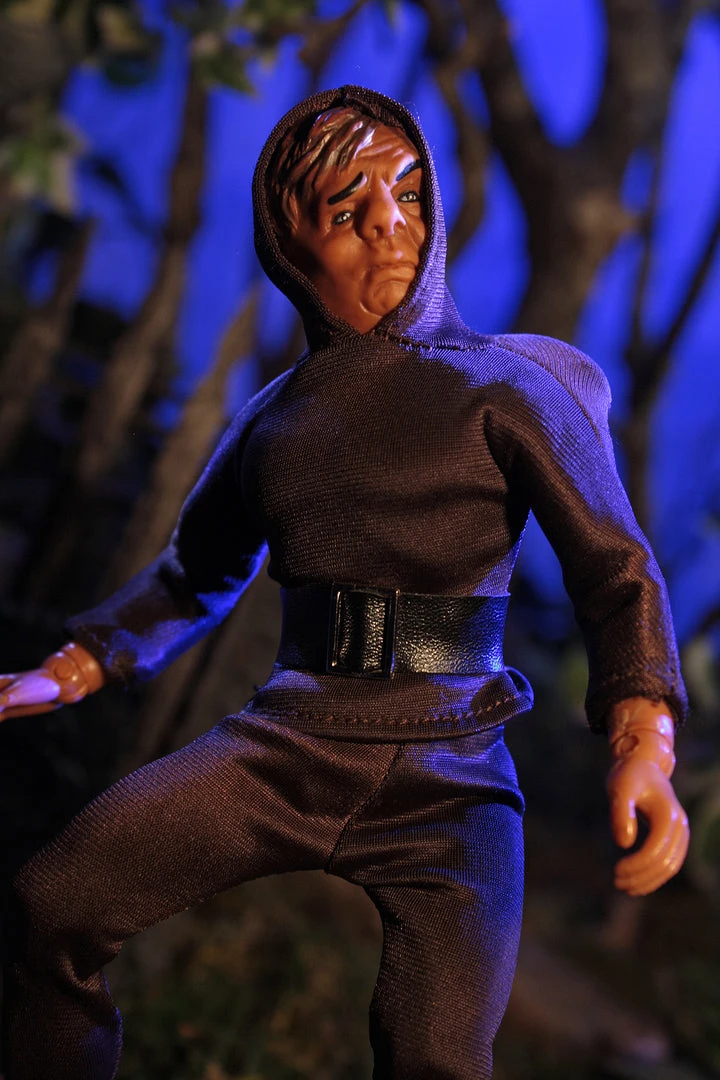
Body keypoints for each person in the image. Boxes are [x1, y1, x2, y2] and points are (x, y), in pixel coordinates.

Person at [0, 86, 689, 1080]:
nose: (387, 224)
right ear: (290, 246)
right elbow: (193, 575)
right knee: (52, 903)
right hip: (287, 746)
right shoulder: (273, 421)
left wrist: (644, 740)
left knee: (438, 1053)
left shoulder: (508, 387)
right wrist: (71, 667)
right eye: (346, 208)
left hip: (453, 773)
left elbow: (615, 569)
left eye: (408, 194)